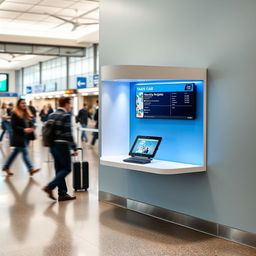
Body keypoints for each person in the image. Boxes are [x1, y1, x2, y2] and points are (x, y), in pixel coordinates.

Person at [43, 96, 77, 201]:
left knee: (59, 169)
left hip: (52, 146)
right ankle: (50, 187)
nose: (70, 106)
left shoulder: (51, 115)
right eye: (70, 104)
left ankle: (62, 193)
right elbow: (68, 133)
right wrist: (74, 147)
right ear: (66, 104)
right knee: (67, 169)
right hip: (62, 145)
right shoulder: (65, 115)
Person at [2, 99, 40, 176]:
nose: (24, 104)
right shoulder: (15, 114)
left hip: (26, 137)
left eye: (25, 103)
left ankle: (6, 167)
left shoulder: (27, 113)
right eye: (22, 103)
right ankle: (30, 169)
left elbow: (31, 123)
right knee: (25, 153)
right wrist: (24, 129)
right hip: (18, 137)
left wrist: (33, 127)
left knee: (15, 153)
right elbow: (13, 126)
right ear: (18, 104)